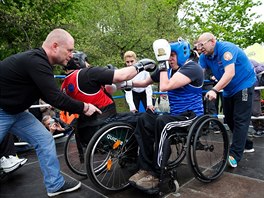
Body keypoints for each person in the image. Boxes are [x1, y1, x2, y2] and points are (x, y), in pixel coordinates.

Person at [0, 28, 102, 197]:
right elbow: (55, 98)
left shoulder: (42, 64)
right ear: (55, 46)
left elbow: (48, 95)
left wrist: (50, 118)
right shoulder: (36, 61)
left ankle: (54, 184)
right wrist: (84, 107)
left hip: (17, 113)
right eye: (69, 50)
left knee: (45, 139)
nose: (71, 55)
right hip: (2, 110)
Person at [127, 38, 204, 191]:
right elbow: (144, 82)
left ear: (182, 54)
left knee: (163, 121)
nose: (169, 58)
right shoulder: (167, 68)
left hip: (191, 116)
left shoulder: (192, 68)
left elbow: (164, 86)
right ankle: (145, 168)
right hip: (175, 115)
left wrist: (162, 63)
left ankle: (156, 174)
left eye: (173, 55)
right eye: (168, 55)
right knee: (143, 118)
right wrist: (126, 83)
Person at [61, 51, 156, 145]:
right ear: (79, 61)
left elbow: (107, 89)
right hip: (105, 121)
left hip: (85, 127)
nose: (88, 64)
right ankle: (140, 157)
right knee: (144, 118)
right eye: (86, 61)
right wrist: (141, 65)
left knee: (134, 117)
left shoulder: (65, 84)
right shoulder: (88, 74)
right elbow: (122, 76)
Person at [196, 32, 256, 168]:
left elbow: (230, 73)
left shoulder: (226, 49)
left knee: (240, 119)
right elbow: (198, 74)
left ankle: (235, 154)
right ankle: (246, 144)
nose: (200, 48)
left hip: (244, 83)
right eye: (198, 45)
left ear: (212, 41)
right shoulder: (204, 56)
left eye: (202, 45)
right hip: (229, 88)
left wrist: (214, 89)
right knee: (229, 119)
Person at [250, 59, 264, 138]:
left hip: (255, 90)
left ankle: (261, 128)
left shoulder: (251, 61)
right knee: (249, 111)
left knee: (256, 112)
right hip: (245, 90)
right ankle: (257, 129)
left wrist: (256, 70)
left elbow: (261, 66)